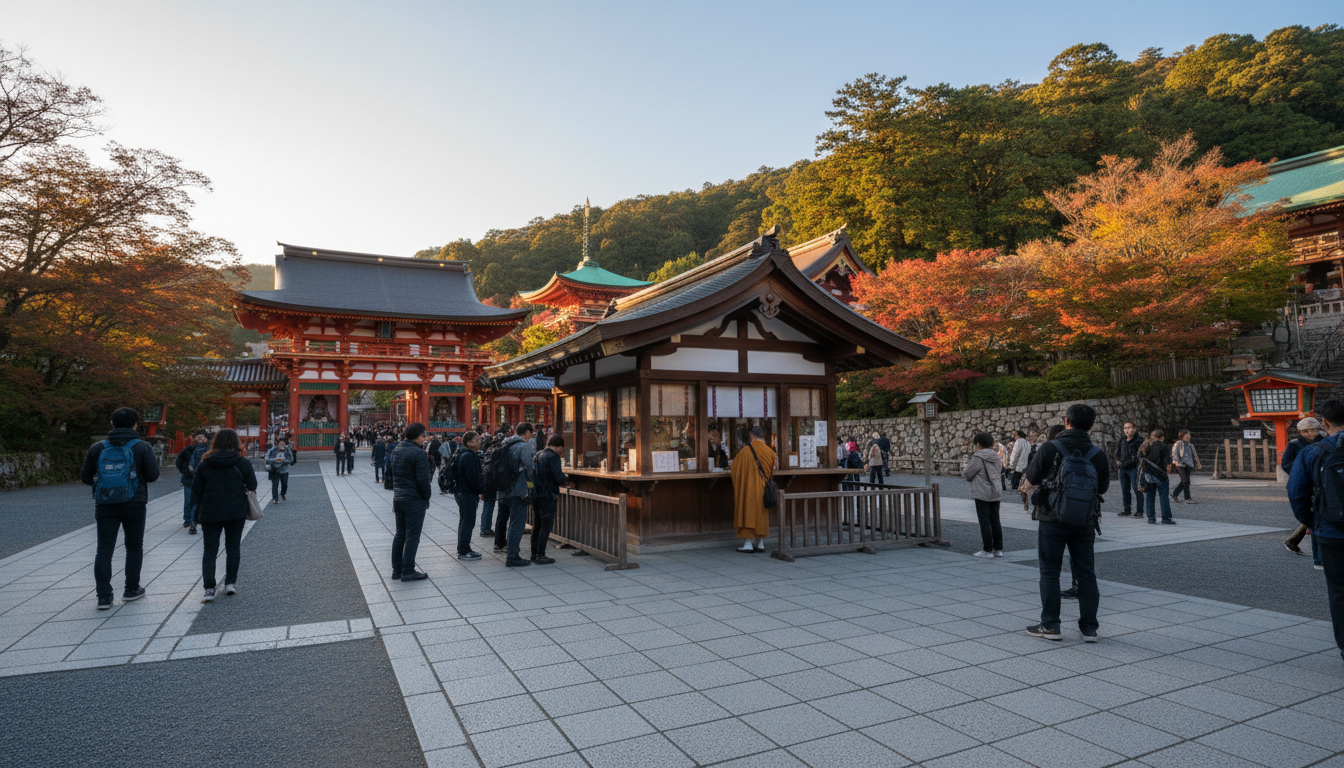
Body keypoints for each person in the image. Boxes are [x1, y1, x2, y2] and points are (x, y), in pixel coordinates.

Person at [1023, 403, 1108, 643]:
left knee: (1050, 571)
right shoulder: (1097, 453)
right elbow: (1102, 487)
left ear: (1066, 421)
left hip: (1052, 517)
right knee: (1086, 573)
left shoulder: (1050, 447)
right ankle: (1089, 628)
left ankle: (1050, 625)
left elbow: (1031, 476)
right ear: (1090, 426)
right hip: (1085, 519)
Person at [81, 407, 161, 609]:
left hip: (105, 503)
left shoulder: (98, 447)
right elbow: (152, 475)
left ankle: (104, 597)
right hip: (134, 502)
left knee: (104, 549)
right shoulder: (142, 447)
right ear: (135, 424)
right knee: (134, 546)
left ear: (111, 423)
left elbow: (85, 477)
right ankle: (131, 589)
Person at [1286, 397, 1344, 662]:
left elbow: (1296, 493)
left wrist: (1312, 521)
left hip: (1330, 531)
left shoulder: (1312, 452)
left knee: (1339, 590)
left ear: (1325, 422)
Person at [190, 428, 257, 603]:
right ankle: (230, 583)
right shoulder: (242, 463)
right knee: (233, 547)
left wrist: (194, 514)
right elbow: (252, 484)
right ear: (235, 442)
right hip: (235, 510)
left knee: (210, 549)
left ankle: (209, 588)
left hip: (211, 511)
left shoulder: (205, 463)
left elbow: (196, 489)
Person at [389, 423, 433, 581]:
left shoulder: (396, 449)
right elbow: (423, 480)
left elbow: (390, 474)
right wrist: (426, 497)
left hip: (399, 497)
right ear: (420, 435)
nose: (424, 438)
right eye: (424, 435)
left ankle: (397, 570)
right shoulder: (418, 453)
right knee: (412, 536)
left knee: (400, 534)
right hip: (414, 499)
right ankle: (408, 570)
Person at [498, 423, 538, 567]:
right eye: (531, 433)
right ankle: (513, 556)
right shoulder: (523, 446)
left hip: (503, 489)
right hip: (518, 489)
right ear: (527, 432)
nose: (531, 436)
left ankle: (511, 550)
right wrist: (530, 487)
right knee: (517, 523)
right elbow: (529, 468)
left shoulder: (504, 442)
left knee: (509, 521)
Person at [1284, 417, 1324, 558]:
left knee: (1315, 511)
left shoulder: (1325, 441)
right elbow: (1286, 463)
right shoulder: (1294, 444)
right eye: (1306, 431)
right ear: (1300, 432)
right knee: (1311, 511)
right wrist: (1300, 475)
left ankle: (1294, 540)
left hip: (1321, 481)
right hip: (1302, 483)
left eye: (1313, 430)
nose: (1310, 433)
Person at [731, 425, 775, 553]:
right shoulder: (770, 452)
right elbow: (771, 471)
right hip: (763, 489)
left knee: (748, 512)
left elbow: (734, 469)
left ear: (753, 436)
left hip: (748, 489)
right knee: (761, 513)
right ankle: (760, 543)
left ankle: (748, 543)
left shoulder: (745, 451)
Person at [963, 432, 1004, 559]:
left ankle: (987, 550)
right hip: (996, 490)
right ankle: (998, 549)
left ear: (979, 444)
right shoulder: (996, 456)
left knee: (985, 521)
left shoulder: (978, 457)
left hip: (982, 491)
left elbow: (968, 473)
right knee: (995, 520)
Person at [532, 435, 570, 564]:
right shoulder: (554, 457)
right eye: (561, 448)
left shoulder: (538, 455)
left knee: (537, 524)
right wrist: (566, 480)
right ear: (558, 446)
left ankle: (534, 553)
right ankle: (541, 554)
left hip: (537, 494)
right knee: (546, 525)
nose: (561, 451)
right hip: (548, 494)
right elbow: (558, 476)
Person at [452, 431, 485, 561]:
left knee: (465, 522)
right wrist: (482, 490)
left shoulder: (462, 453)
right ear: (470, 442)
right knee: (467, 523)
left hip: (462, 492)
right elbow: (473, 478)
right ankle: (463, 550)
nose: (480, 441)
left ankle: (465, 547)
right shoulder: (469, 456)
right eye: (477, 439)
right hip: (467, 493)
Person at [175, 431, 209, 533]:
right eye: (198, 437)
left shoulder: (209, 450)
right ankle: (188, 519)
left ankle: (194, 518)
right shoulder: (188, 450)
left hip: (203, 478)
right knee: (189, 499)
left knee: (199, 500)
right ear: (194, 439)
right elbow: (179, 461)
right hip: (190, 478)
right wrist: (186, 471)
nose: (201, 439)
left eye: (203, 437)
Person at [1141, 429, 1175, 524]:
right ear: (1162, 438)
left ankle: (1151, 517)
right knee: (1163, 496)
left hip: (1149, 474)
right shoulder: (1164, 447)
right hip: (1161, 474)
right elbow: (1168, 461)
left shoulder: (1146, 445)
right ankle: (1165, 518)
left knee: (1150, 496)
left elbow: (1140, 457)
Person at [1113, 422, 1145, 518]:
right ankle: (1127, 509)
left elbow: (1137, 457)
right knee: (1125, 490)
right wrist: (1118, 461)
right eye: (1125, 428)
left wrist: (1125, 463)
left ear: (1134, 429)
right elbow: (1117, 453)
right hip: (1122, 469)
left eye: (1129, 427)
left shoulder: (1139, 441)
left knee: (1137, 489)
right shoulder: (1121, 440)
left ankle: (1139, 510)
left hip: (1133, 468)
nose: (1127, 430)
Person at [1171, 430, 1201, 504]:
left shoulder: (1190, 445)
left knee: (1186, 481)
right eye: (1186, 435)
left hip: (1188, 465)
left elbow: (1195, 454)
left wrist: (1198, 463)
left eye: (1189, 435)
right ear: (1182, 436)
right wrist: (1177, 462)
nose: (1188, 437)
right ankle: (1187, 498)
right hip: (1180, 465)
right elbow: (1174, 454)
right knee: (1185, 481)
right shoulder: (1178, 443)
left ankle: (1175, 494)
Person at [264, 438, 295, 502]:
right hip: (275, 469)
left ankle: (283, 494)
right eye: (280, 444)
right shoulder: (273, 450)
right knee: (275, 484)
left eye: (283, 444)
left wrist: (284, 461)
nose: (281, 445)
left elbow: (291, 459)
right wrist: (274, 460)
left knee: (284, 483)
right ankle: (275, 498)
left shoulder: (287, 450)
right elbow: (267, 458)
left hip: (284, 469)